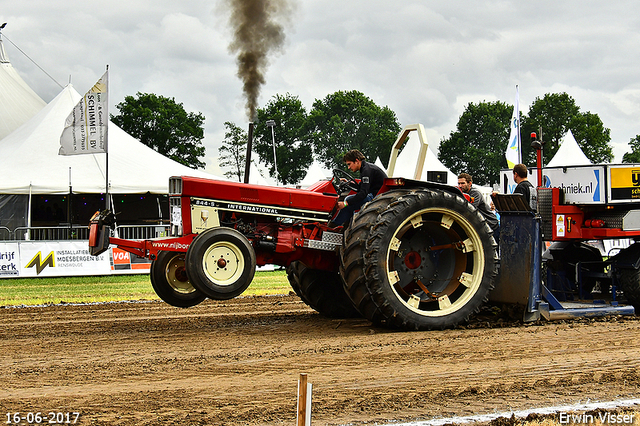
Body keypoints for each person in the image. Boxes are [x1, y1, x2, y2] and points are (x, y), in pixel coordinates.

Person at [330, 149, 387, 227]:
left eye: (349, 164)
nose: (349, 167)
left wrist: (346, 203)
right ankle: (345, 226)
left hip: (377, 198)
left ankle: (334, 225)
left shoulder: (366, 171)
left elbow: (363, 193)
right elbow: (361, 187)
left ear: (357, 161)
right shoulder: (365, 168)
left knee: (348, 201)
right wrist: (348, 183)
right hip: (374, 195)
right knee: (349, 200)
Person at [457, 173, 500, 244]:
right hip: (482, 227)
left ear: (470, 183)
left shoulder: (475, 193)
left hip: (491, 225)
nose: (460, 186)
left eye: (462, 183)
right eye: (459, 184)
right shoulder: (463, 194)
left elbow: (470, 209)